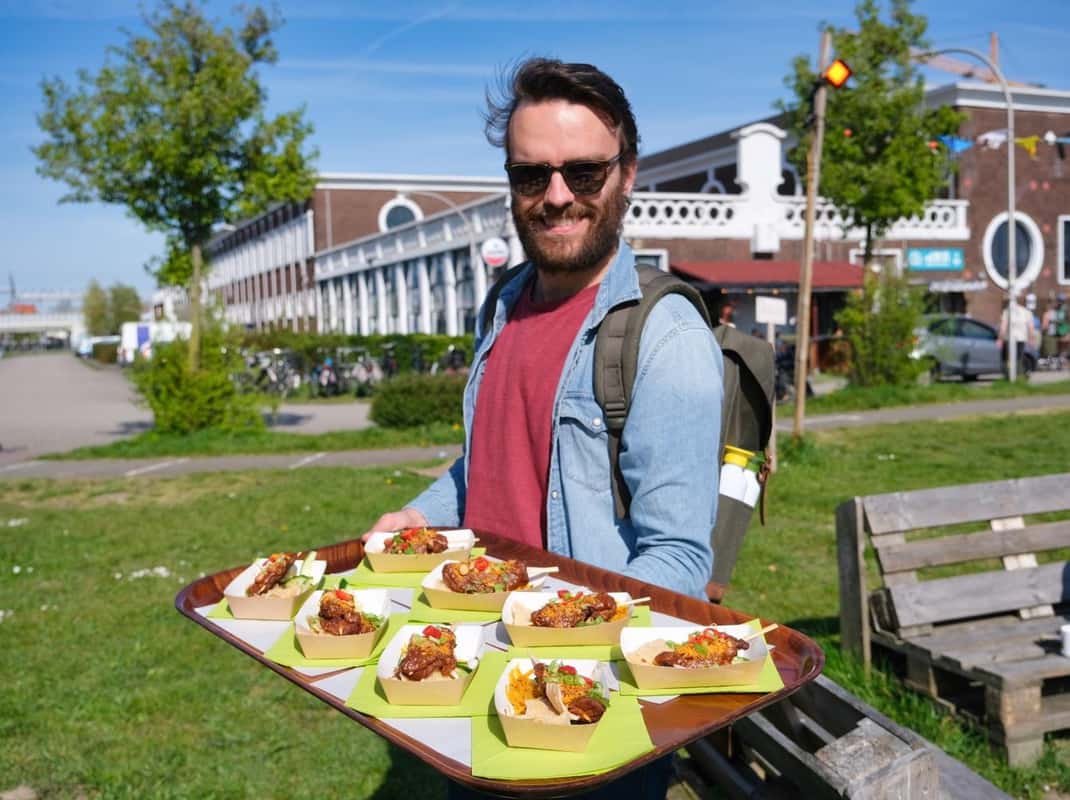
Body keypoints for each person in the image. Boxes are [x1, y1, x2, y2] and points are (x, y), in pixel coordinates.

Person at [366, 58, 722, 798]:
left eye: (584, 173)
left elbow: (681, 559)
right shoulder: (503, 304)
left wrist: (559, 650)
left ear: (627, 173)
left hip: (584, 710)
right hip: (475, 670)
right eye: (532, 175)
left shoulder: (665, 336)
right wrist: (419, 517)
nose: (557, 196)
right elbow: (491, 465)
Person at [997, 295, 1036, 376]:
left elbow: (1003, 327)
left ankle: (1008, 375)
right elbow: (1031, 328)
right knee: (1019, 358)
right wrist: (1031, 339)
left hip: (1009, 339)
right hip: (1021, 339)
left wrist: (1000, 339)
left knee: (1008, 358)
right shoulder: (1026, 312)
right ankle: (1018, 374)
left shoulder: (1007, 312)